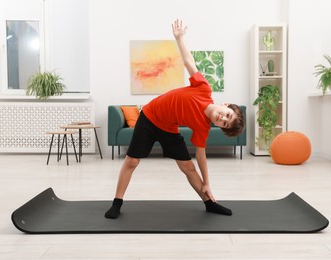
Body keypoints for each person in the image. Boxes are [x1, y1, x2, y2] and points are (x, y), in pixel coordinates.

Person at [105, 19, 245, 219]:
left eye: (224, 123)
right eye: (227, 115)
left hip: (168, 128)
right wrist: (179, 38)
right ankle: (117, 203)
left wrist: (207, 182)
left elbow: (201, 156)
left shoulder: (203, 127)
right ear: (226, 106)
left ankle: (210, 203)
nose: (222, 118)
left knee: (187, 167)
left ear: (218, 126)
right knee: (132, 161)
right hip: (150, 116)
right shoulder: (204, 89)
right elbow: (189, 62)